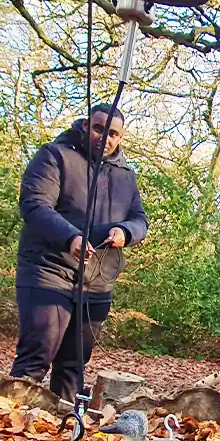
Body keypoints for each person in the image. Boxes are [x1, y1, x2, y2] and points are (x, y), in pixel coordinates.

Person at [9, 105, 148, 402]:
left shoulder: (125, 175)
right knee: (36, 356)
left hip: (97, 282)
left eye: (113, 133)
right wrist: (69, 236)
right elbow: (34, 205)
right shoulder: (55, 156)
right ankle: (9, 429)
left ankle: (62, 432)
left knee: (73, 366)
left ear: (120, 137)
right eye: (99, 129)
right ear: (86, 126)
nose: (105, 138)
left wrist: (126, 232)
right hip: (48, 271)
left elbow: (140, 219)